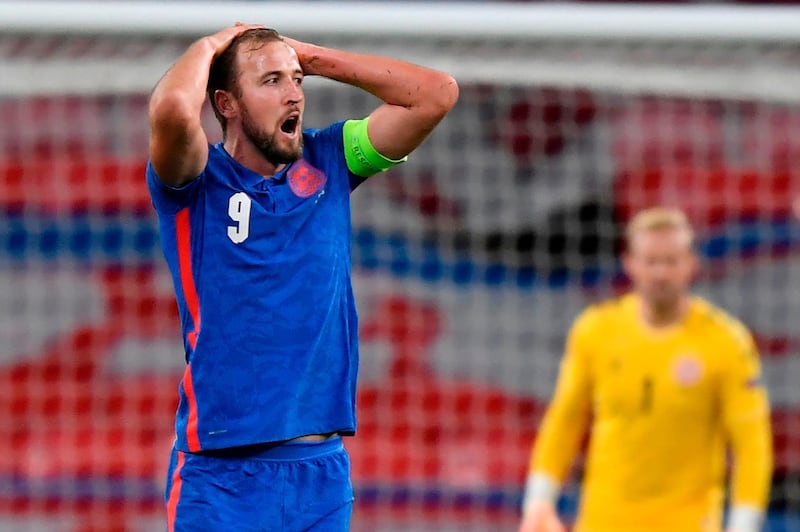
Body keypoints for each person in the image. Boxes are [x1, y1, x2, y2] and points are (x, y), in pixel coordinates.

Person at [146, 23, 458, 531]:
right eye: (271, 82)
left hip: (321, 475)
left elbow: (435, 95)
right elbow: (172, 111)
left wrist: (309, 57)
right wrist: (210, 46)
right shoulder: (196, 181)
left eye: (297, 81)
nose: (294, 94)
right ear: (226, 103)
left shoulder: (331, 159)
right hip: (221, 478)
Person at [519, 207, 773, 532]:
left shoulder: (725, 341)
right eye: (651, 261)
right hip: (604, 519)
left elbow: (752, 443)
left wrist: (743, 525)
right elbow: (565, 418)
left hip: (686, 522)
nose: (660, 273)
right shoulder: (596, 331)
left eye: (671, 261)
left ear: (691, 264)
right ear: (630, 263)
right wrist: (539, 500)